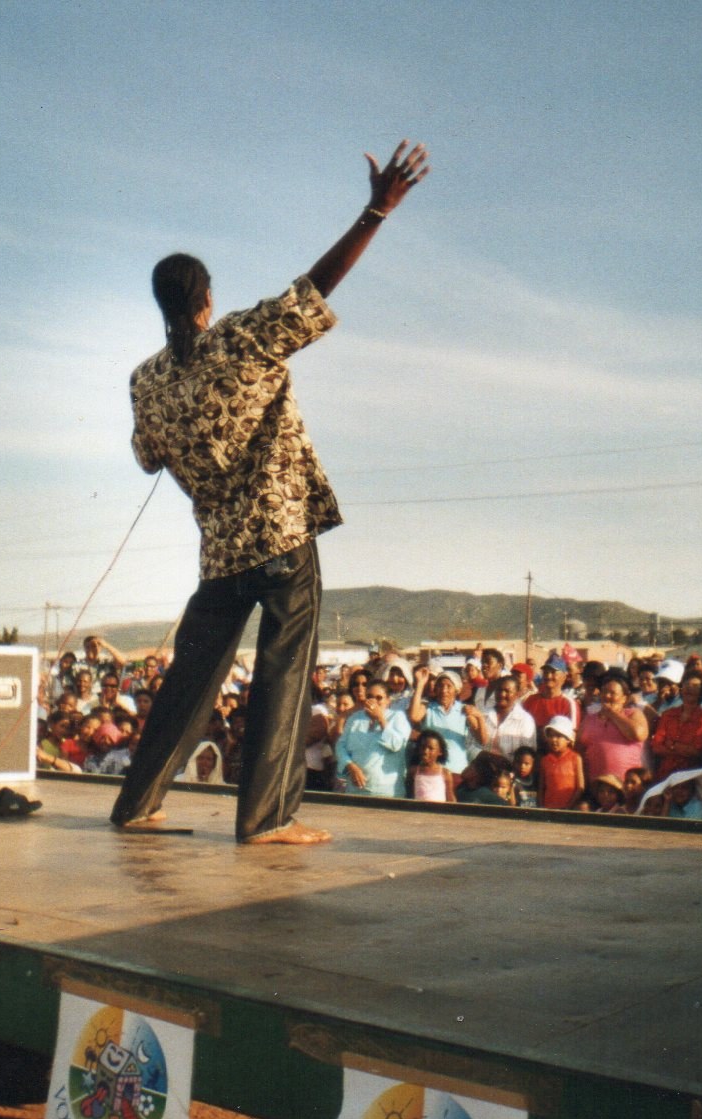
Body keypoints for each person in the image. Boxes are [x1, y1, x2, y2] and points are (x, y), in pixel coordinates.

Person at [108, 139, 430, 846]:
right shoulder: (240, 340)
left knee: (191, 679)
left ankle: (136, 804)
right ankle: (264, 818)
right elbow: (317, 284)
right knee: (282, 675)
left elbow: (144, 459)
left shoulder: (144, 379)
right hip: (280, 535)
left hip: (219, 551)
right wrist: (377, 209)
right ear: (208, 298)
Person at [337, 681, 413, 797]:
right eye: (370, 697)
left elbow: (396, 745)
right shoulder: (354, 718)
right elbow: (340, 746)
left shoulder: (398, 717)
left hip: (387, 792)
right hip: (355, 790)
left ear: (388, 700)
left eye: (379, 698)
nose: (374, 701)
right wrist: (350, 766)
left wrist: (381, 719)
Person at [577, 669, 650, 784]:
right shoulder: (589, 718)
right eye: (604, 691)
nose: (607, 695)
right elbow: (579, 748)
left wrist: (612, 714)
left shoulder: (633, 714)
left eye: (612, 693)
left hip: (626, 785)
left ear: (624, 698)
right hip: (596, 785)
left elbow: (638, 734)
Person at [538, 715, 586, 811]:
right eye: (551, 736)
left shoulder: (575, 758)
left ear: (568, 739)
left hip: (568, 808)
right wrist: (541, 806)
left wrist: (569, 807)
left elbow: (580, 787)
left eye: (558, 736)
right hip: (548, 808)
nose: (553, 739)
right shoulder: (545, 760)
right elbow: (541, 787)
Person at [409, 730, 456, 803]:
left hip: (438, 812)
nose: (425, 751)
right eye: (423, 747)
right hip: (418, 812)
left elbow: (450, 798)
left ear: (440, 752)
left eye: (431, 748)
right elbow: (410, 795)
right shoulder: (414, 771)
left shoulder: (445, 773)